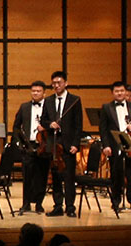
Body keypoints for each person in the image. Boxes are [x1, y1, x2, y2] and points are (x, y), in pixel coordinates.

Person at [41, 70, 82, 218]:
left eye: (59, 82)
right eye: (54, 83)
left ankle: (70, 207)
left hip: (68, 144)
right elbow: (43, 120)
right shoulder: (48, 100)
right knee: (56, 177)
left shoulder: (75, 100)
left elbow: (78, 125)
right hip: (53, 144)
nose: (56, 85)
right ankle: (58, 206)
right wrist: (50, 124)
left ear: (66, 83)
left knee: (69, 177)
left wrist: (76, 144)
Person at [99, 80, 131, 213]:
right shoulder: (106, 107)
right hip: (114, 144)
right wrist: (106, 145)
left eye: (122, 91)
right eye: (117, 91)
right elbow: (103, 129)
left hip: (130, 142)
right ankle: (116, 202)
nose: (119, 93)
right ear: (113, 93)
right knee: (116, 174)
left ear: (125, 92)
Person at [11, 81, 49, 214]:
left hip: (43, 145)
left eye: (38, 91)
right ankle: (26, 204)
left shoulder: (49, 107)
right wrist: (20, 143)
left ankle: (39, 204)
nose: (35, 93)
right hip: (28, 145)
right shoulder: (24, 107)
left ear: (44, 93)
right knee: (27, 176)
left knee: (42, 176)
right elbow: (16, 127)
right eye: (33, 91)